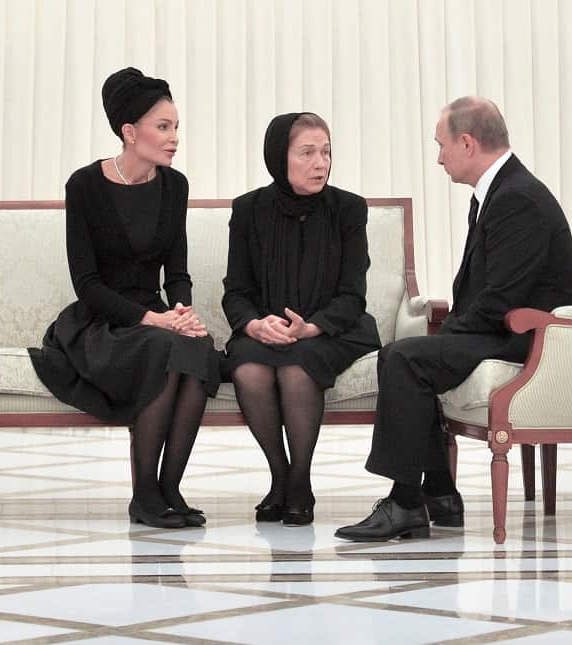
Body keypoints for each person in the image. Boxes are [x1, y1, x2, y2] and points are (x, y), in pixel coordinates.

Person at [335, 96, 572, 542]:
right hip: (504, 327)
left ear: (467, 142)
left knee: (405, 359)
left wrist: (449, 332)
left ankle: (407, 503)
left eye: (442, 145)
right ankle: (441, 494)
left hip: (526, 335)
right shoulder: (499, 192)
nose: (439, 157)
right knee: (404, 356)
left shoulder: (517, 198)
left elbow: (503, 298)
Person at [29, 67, 221, 529]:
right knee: (161, 347)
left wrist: (181, 312)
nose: (175, 137)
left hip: (155, 315)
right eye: (163, 127)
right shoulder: (85, 185)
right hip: (100, 322)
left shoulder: (175, 186)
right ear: (129, 132)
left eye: (176, 127)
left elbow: (176, 272)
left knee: (197, 346)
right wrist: (152, 321)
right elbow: (87, 284)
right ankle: (144, 495)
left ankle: (170, 487)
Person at [222, 112, 381, 526]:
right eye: (307, 153)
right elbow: (236, 291)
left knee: (297, 368)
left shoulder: (348, 209)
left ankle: (300, 481)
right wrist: (255, 325)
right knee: (250, 369)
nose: (320, 163)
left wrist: (311, 327)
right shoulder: (248, 210)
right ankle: (282, 476)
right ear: (280, 157)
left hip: (333, 328)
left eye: (326, 152)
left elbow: (353, 294)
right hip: (264, 329)